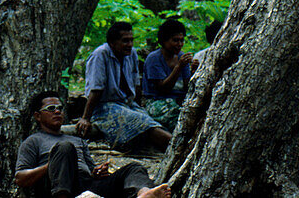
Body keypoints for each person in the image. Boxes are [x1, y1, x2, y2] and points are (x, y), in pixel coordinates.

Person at [15, 92, 171, 198]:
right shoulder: (33, 141)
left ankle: (144, 193)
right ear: (37, 116)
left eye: (60, 108)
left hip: (85, 186)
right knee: (64, 148)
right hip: (57, 187)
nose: (57, 112)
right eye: (51, 109)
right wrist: (52, 165)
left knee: (133, 168)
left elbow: (90, 172)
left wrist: (96, 172)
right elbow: (21, 179)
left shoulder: (78, 140)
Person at [76, 23, 171, 151]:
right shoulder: (100, 55)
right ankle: (176, 148)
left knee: (149, 121)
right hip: (105, 106)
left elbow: (136, 84)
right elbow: (96, 89)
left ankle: (175, 147)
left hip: (126, 103)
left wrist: (138, 108)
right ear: (112, 42)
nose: (130, 44)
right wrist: (85, 118)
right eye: (125, 41)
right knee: (144, 124)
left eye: (131, 40)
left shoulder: (131, 54)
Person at [142, 19, 194, 130]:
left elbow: (187, 86)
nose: (179, 44)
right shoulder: (154, 58)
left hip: (179, 100)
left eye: (181, 40)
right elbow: (162, 89)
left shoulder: (181, 56)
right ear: (164, 41)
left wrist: (193, 71)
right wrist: (178, 67)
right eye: (175, 40)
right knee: (177, 117)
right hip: (158, 102)